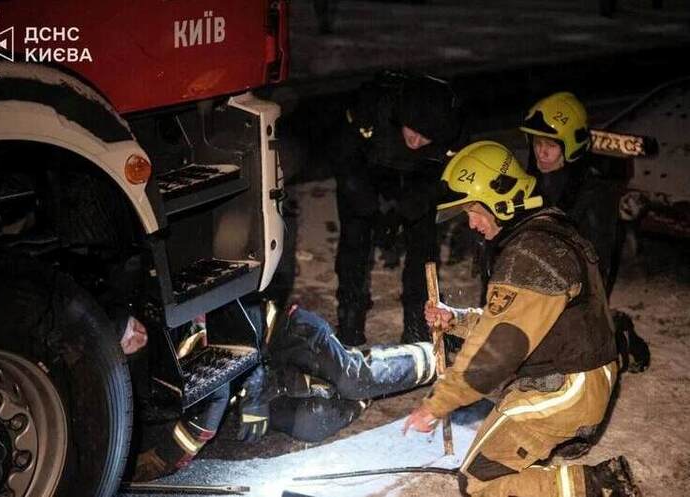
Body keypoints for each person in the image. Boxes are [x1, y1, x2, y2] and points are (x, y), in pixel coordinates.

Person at [404, 141, 642, 497]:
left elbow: (497, 352)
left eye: (473, 210)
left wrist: (436, 405)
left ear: (498, 199)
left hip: (566, 387)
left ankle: (601, 486)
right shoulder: (544, 230)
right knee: (489, 464)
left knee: (478, 482)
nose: (471, 223)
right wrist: (454, 319)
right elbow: (514, 321)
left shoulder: (529, 255)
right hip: (575, 376)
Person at [130, 302, 437, 481]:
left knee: (353, 380)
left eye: (129, 327)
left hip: (287, 335)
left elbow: (214, 394)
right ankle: (356, 396)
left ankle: (433, 357)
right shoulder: (138, 370)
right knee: (311, 423)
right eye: (125, 339)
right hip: (268, 382)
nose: (134, 335)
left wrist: (161, 460)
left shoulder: (167, 322)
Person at [519, 92, 649, 373]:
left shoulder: (594, 194)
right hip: (538, 283)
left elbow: (596, 268)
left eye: (550, 146)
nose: (541, 153)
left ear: (570, 146)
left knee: (571, 359)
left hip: (575, 291)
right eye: (537, 143)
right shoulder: (528, 183)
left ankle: (621, 336)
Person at [332, 70, 465, 346]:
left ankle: (418, 322)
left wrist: (404, 211)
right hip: (367, 170)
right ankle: (350, 317)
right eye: (412, 132)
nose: (415, 142)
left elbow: (445, 182)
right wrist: (372, 210)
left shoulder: (450, 133)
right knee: (354, 238)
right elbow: (346, 165)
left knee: (424, 243)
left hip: (417, 179)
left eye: (425, 138)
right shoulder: (370, 110)